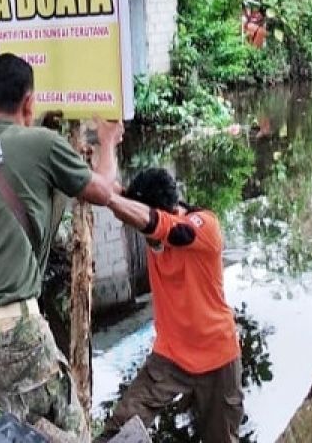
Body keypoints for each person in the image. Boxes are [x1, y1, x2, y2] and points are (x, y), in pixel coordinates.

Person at [0, 53, 122, 442]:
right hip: (7, 328)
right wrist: (109, 142)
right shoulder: (41, 143)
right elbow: (105, 190)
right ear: (29, 102)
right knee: (62, 431)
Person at [99, 168, 243, 443]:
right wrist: (107, 138)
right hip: (170, 358)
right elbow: (117, 198)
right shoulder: (153, 225)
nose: (144, 233)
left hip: (217, 358)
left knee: (221, 439)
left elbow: (164, 227)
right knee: (120, 428)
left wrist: (110, 199)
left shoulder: (203, 226)